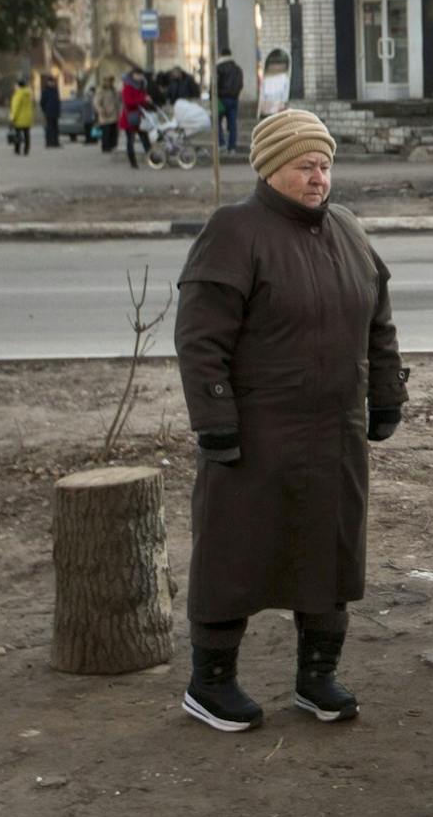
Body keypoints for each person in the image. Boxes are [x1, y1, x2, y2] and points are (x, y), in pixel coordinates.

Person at [172, 109, 409, 732]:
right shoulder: (234, 231)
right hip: (255, 435)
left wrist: (386, 395)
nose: (319, 177)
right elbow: (200, 340)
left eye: (325, 165)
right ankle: (210, 683)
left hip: (335, 433)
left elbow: (377, 323)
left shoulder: (349, 232)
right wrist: (215, 419)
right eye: (306, 165)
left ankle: (316, 677)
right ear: (270, 167)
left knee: (328, 553)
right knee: (234, 553)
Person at [119, 71, 150, 169]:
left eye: (141, 75)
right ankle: (133, 163)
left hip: (140, 117)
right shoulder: (128, 87)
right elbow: (128, 102)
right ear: (133, 76)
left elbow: (143, 101)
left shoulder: (142, 86)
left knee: (145, 139)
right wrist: (143, 100)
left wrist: (146, 101)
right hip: (130, 118)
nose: (140, 77)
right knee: (130, 141)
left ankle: (152, 158)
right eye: (138, 75)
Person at [215, 55, 245, 153]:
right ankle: (232, 147)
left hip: (221, 99)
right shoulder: (238, 69)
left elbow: (214, 84)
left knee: (217, 122)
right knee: (232, 124)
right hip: (233, 100)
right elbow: (240, 84)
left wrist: (214, 97)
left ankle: (221, 144)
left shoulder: (219, 68)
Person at [8, 78, 35, 156]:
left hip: (19, 118)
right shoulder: (29, 94)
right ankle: (26, 150)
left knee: (18, 134)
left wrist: (12, 117)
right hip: (28, 118)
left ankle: (17, 149)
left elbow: (15, 107)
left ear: (18, 86)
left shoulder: (18, 94)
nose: (15, 87)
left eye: (15, 85)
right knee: (27, 135)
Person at [92, 79, 120, 153]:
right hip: (105, 115)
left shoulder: (114, 90)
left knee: (113, 132)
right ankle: (105, 147)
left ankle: (112, 146)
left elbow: (118, 101)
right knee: (106, 132)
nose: (110, 83)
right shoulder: (101, 91)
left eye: (111, 81)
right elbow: (96, 103)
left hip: (114, 114)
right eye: (108, 81)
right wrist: (101, 110)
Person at [40, 75, 63, 149]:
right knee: (49, 128)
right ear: (48, 83)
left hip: (55, 112)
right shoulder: (45, 91)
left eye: (52, 82)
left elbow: (58, 101)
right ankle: (49, 143)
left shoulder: (55, 90)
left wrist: (59, 111)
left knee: (56, 128)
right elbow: (42, 102)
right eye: (50, 82)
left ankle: (56, 142)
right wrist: (45, 110)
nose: (52, 83)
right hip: (48, 112)